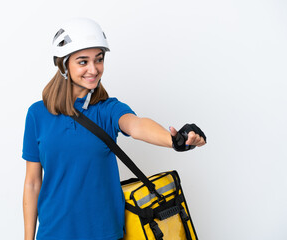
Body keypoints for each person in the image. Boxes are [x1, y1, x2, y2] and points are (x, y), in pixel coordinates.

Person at [22, 18, 206, 240]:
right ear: (63, 65)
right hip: (54, 233)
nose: (94, 69)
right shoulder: (37, 114)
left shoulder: (107, 110)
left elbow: (137, 125)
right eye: (83, 62)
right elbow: (32, 182)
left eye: (98, 60)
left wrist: (174, 140)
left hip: (104, 233)